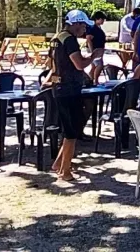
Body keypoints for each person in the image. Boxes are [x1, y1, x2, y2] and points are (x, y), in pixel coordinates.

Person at [49, 10, 94, 181]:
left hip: (59, 86)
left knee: (71, 129)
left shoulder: (57, 38)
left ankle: (58, 163)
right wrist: (93, 57)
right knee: (71, 132)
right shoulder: (69, 40)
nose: (84, 28)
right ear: (75, 24)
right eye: (83, 25)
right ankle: (65, 171)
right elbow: (79, 64)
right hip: (68, 89)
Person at [86, 11, 107, 81]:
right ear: (97, 19)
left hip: (99, 48)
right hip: (95, 49)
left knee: (94, 66)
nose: (103, 21)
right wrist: (92, 50)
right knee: (99, 65)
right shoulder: (93, 28)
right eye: (102, 19)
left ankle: (91, 79)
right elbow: (88, 39)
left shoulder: (98, 28)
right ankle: (96, 80)